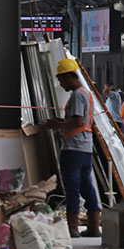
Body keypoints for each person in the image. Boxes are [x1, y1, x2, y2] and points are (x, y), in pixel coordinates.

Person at [42, 58, 101, 237]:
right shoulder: (86, 93)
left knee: (72, 187)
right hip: (85, 148)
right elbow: (79, 121)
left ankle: (73, 227)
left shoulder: (77, 95)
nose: (61, 84)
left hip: (73, 149)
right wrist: (62, 122)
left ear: (68, 77)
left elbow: (77, 121)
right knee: (86, 186)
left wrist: (56, 126)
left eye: (61, 79)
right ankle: (93, 227)